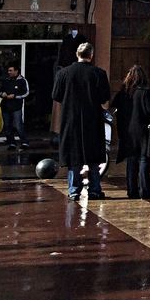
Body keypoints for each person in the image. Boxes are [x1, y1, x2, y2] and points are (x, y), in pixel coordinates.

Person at [51, 42, 111, 201]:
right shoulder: (99, 73)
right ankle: (95, 190)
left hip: (71, 119)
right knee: (94, 157)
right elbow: (105, 97)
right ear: (91, 55)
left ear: (77, 54)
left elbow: (56, 95)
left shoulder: (63, 73)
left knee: (73, 156)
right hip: (92, 118)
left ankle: (74, 190)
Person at [121, 65, 150, 199]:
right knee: (143, 160)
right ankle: (145, 190)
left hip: (129, 131)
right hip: (144, 130)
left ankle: (132, 190)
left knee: (131, 161)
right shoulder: (146, 92)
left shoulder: (125, 92)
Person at [0, 65, 30, 149]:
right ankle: (12, 143)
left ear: (16, 71)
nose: (9, 72)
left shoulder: (22, 81)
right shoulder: (6, 80)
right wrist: (2, 94)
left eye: (10, 70)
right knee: (7, 126)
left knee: (18, 125)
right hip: (5, 106)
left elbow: (26, 93)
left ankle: (24, 142)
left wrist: (15, 96)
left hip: (16, 107)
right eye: (8, 71)